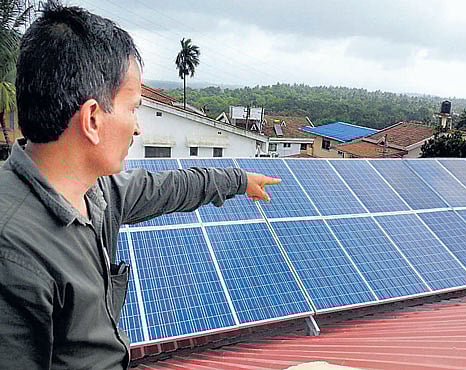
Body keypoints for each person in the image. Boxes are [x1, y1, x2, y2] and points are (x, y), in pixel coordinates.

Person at [0, 2, 280, 369]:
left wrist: (240, 180)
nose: (137, 127)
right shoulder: (13, 254)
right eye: (133, 108)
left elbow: (172, 187)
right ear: (92, 119)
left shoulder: (96, 193)